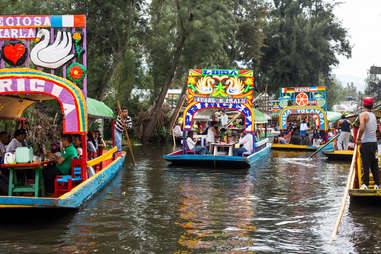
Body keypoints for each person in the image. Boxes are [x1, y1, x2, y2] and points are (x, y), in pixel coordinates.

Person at [356, 97, 380, 189]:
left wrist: (358, 139)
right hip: (374, 144)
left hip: (366, 143)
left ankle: (365, 184)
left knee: (365, 164)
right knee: (374, 163)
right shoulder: (373, 115)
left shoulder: (363, 114)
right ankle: (377, 184)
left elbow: (362, 127)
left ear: (363, 105)